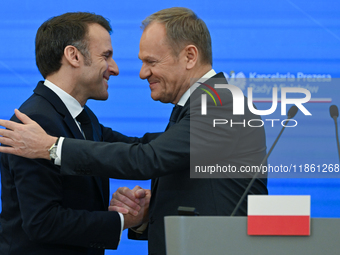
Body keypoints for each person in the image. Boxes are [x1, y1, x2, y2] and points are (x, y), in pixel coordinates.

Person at [0, 7, 268, 255]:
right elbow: (145, 149)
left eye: (151, 61)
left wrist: (51, 147)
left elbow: (147, 158)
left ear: (189, 56)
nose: (141, 73)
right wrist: (140, 215)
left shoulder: (221, 105)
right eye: (107, 56)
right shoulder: (44, 120)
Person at [0, 12, 150, 255]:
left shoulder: (83, 116)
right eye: (106, 56)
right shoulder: (35, 123)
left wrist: (197, 138)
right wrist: (125, 220)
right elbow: (43, 223)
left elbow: (137, 150)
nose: (115, 69)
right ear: (74, 56)